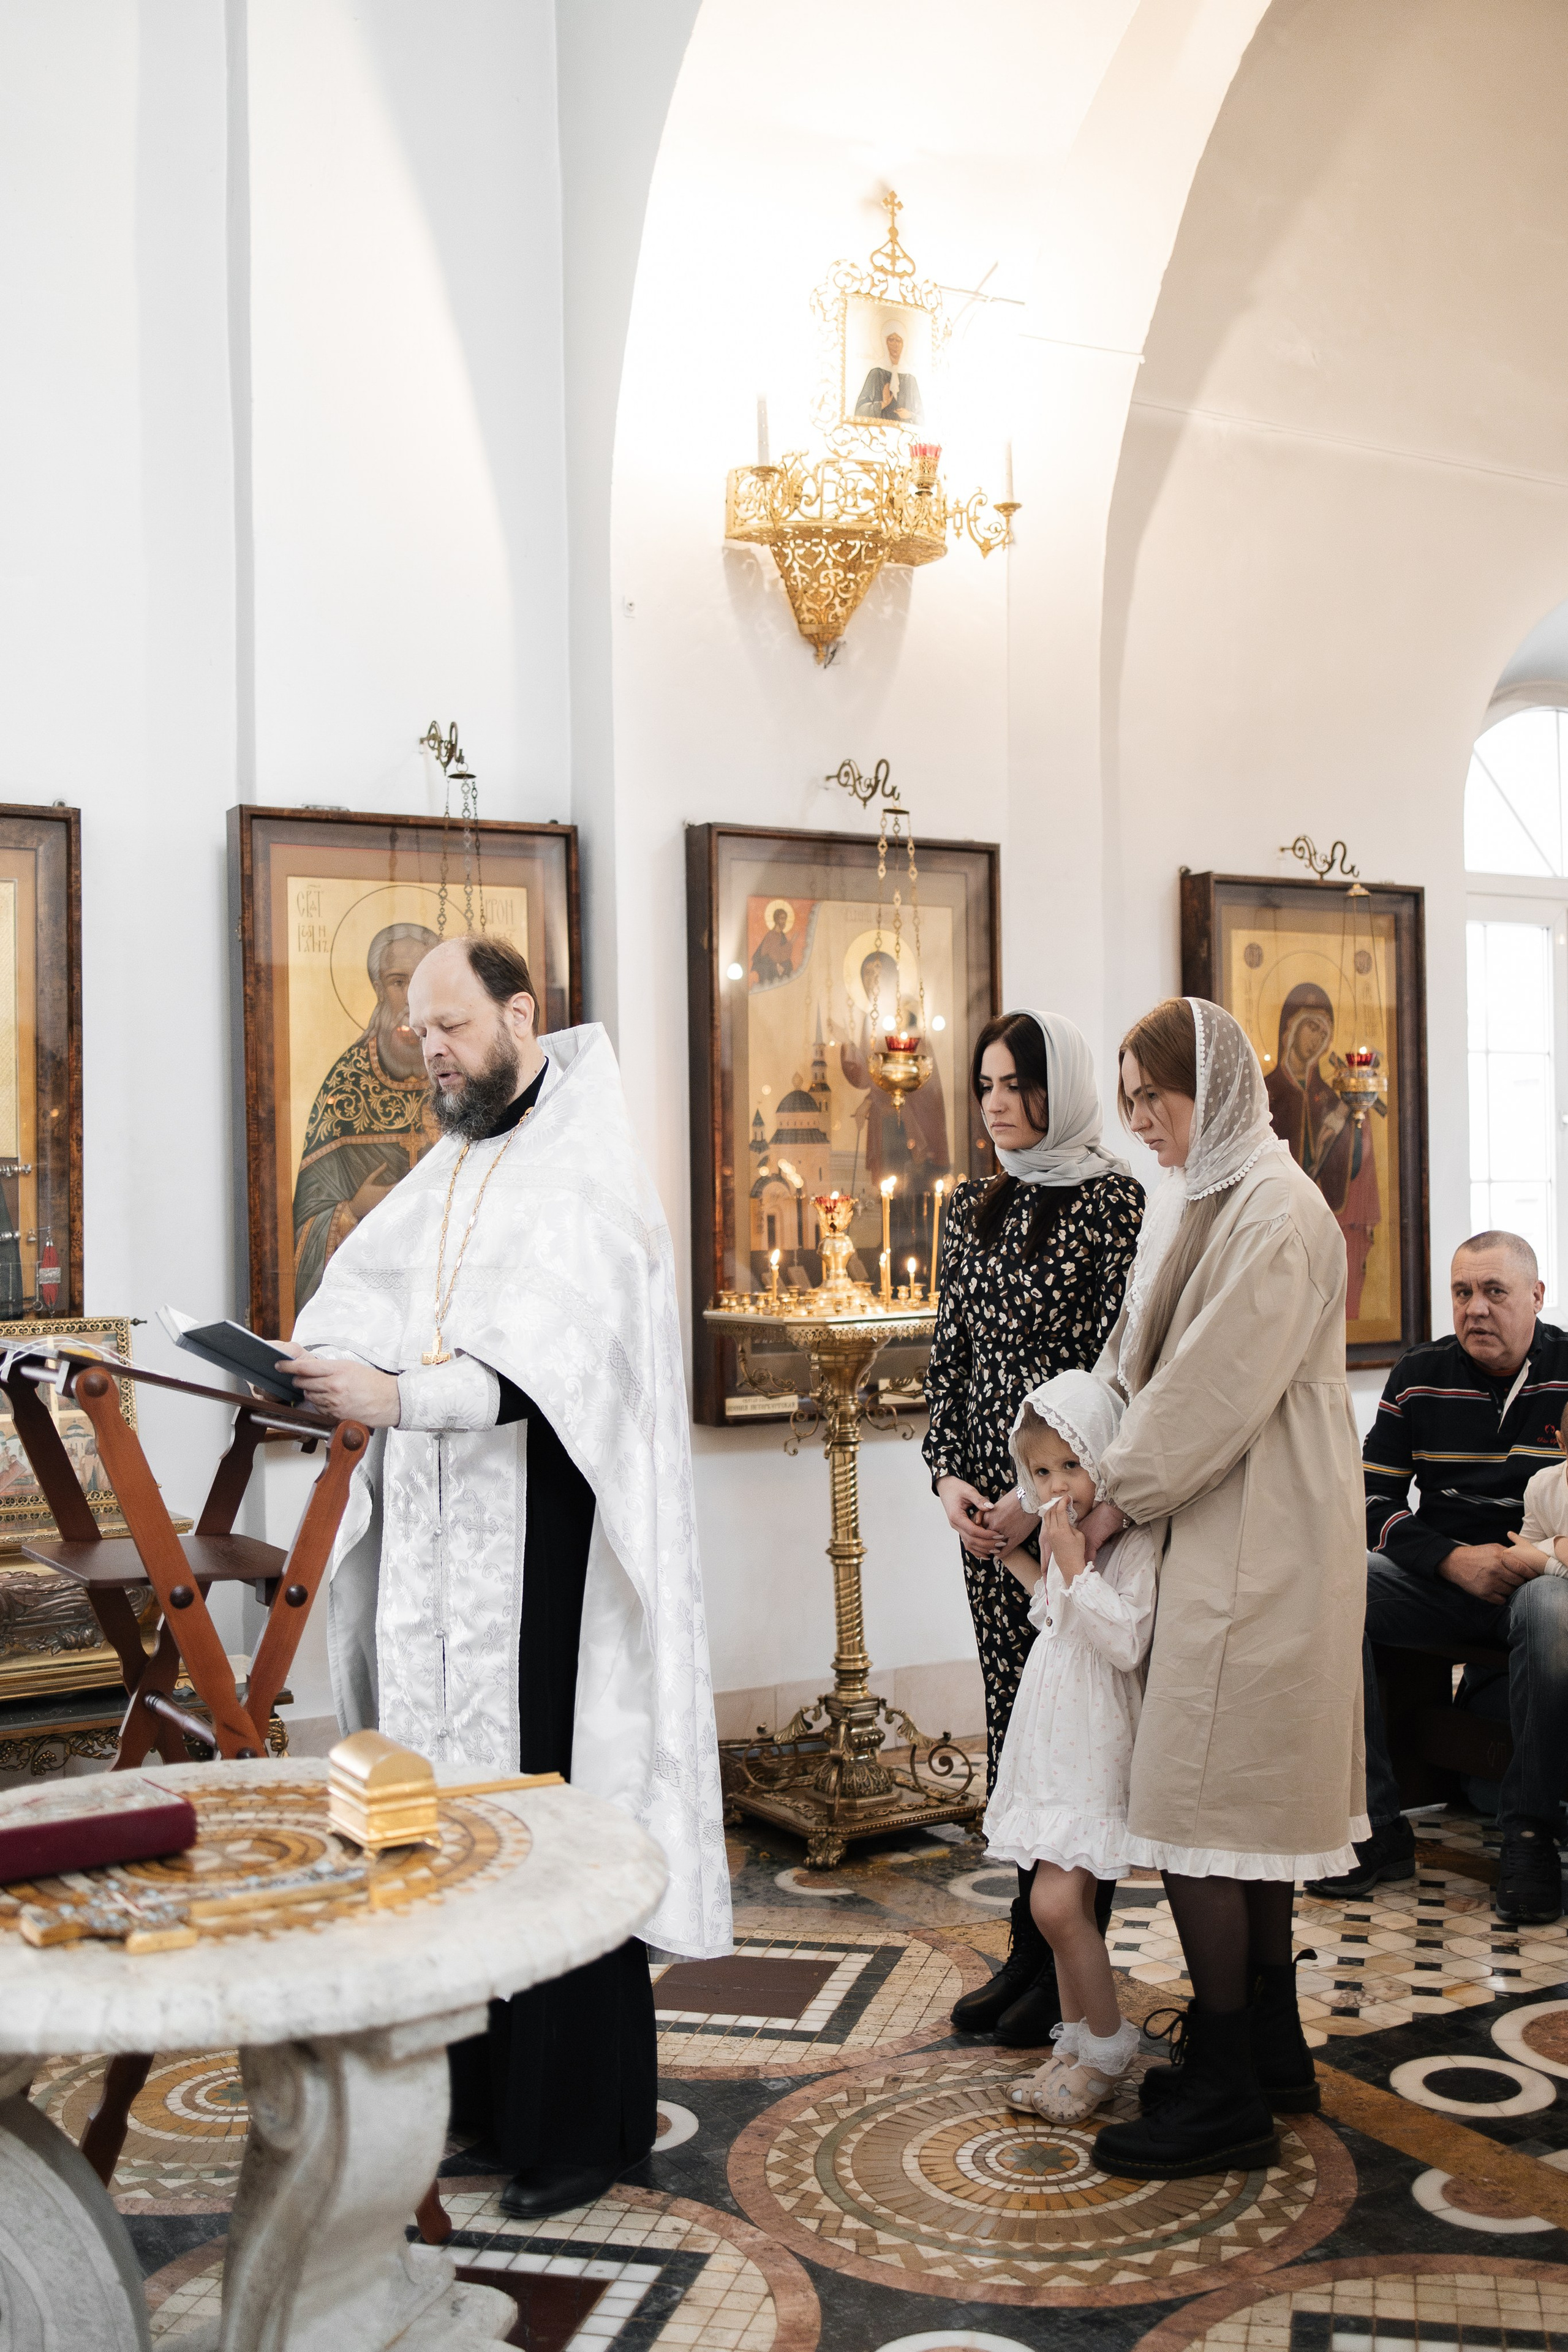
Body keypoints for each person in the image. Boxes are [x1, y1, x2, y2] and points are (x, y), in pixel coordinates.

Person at [281, 933, 731, 2220]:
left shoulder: (583, 1164)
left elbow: (550, 1363)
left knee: (549, 1810)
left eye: (450, 1028)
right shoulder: (460, 1155)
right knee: (456, 1813)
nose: (429, 1051)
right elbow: (360, 1287)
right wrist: (306, 1365)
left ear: (520, 1012)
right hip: (443, 1551)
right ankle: (486, 2101)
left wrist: (399, 1391)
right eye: (418, 1032)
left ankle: (583, 2127)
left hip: (546, 1549)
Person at [1076, 997, 1364, 2185]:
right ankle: (1270, 2054)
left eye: (1156, 1100)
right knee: (1235, 1810)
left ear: (1219, 1089)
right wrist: (1067, 1454)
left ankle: (1227, 2090)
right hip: (1227, 1533)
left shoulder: (1278, 1212)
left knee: (1196, 1804)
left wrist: (1106, 1501)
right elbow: (1137, 1360)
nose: (1141, 1122)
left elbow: (1204, 1392)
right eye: (1131, 1103)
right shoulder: (1212, 1202)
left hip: (1266, 1542)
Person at [923, 1009, 1143, 2045]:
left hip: (1061, 1519)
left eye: (1017, 1082)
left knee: (1072, 1737)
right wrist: (948, 1484)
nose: (999, 1102)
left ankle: (1066, 1960)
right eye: (986, 1085)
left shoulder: (1116, 1203)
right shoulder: (968, 1205)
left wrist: (1041, 1499)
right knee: (1013, 1730)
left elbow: (1114, 1374)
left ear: (1064, 1087)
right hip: (983, 1523)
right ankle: (1025, 1947)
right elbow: (948, 1360)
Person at [1308, 1232, 1568, 1926]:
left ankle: (1529, 1833)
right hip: (1443, 1578)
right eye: (1462, 1293)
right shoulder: (1418, 1372)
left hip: (1545, 1577)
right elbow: (1368, 1501)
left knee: (1551, 1613)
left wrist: (1532, 1559)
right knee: (1334, 1590)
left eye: (1494, 1292)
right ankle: (1374, 1825)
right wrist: (1449, 1559)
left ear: (1536, 1298)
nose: (1475, 1309)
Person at [984, 1372, 1159, 2124]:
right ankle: (1078, 2048)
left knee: (1057, 1903)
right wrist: (1021, 1559)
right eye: (1042, 1472)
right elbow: (1053, 1614)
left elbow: (1122, 1640)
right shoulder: (1071, 1544)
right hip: (1049, 1744)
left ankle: (1111, 2044)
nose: (1058, 1485)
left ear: (1103, 1459)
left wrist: (1073, 1563)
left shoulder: (1134, 1543)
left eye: (1071, 1466)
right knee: (1050, 1899)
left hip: (1093, 1742)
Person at [292, 922, 442, 1311]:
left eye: (422, 981)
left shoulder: (460, 1073)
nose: (410, 998)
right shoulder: (346, 1083)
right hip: (368, 1305)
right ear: (378, 988)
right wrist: (354, 1210)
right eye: (397, 982)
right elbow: (309, 1223)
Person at [1263, 981, 1382, 1318]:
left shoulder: (1333, 1099)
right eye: (1309, 1027)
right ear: (1290, 1029)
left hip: (1323, 1231)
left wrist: (1355, 1123)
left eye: (1322, 1031)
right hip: (1276, 1234)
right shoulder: (1265, 1094)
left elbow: (1352, 1169)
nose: (1315, 1038)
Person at [853, 324, 923, 423]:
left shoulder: (910, 379)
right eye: (891, 340)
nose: (895, 345)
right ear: (885, 342)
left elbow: (922, 418)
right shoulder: (876, 374)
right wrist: (883, 404)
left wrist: (910, 415)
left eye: (898, 341)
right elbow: (859, 411)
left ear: (904, 344)